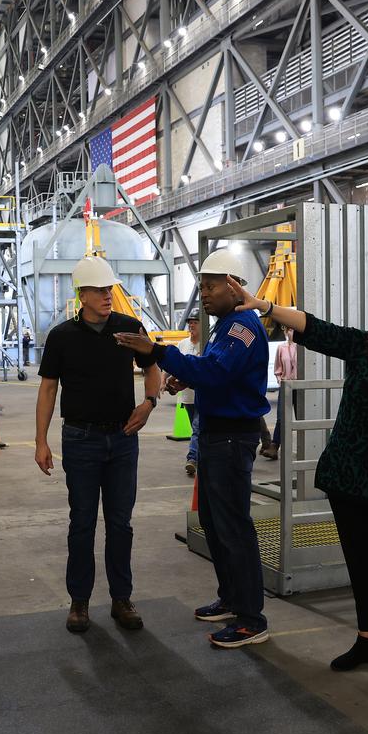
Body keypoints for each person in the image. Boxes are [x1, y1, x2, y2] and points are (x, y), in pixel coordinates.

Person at [229, 266, 368, 685]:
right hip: (350, 477)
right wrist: (266, 306)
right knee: (361, 563)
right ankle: (367, 638)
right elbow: (316, 327)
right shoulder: (365, 347)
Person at [116, 249, 271, 648]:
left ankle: (251, 618)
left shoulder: (243, 327)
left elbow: (218, 371)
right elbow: (217, 371)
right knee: (215, 523)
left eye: (211, 285)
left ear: (235, 287)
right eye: (201, 284)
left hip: (232, 438)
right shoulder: (225, 326)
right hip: (217, 435)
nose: (203, 292)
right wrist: (188, 378)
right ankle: (233, 597)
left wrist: (160, 352)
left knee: (233, 525)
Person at [35, 256, 161, 635]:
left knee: (120, 524)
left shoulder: (128, 327)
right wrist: (41, 441)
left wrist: (149, 403)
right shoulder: (62, 336)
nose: (108, 295)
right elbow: (48, 389)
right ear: (82, 295)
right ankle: (80, 602)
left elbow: (152, 365)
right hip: (81, 440)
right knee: (82, 524)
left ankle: (122, 598)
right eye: (100, 290)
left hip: (123, 439)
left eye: (110, 289)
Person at [260, 327, 297, 460]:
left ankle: (305, 446)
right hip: (286, 385)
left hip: (299, 385)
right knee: (281, 417)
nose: (291, 333)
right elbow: (278, 367)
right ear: (285, 331)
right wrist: (280, 379)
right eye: (289, 330)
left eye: (293, 330)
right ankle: (274, 446)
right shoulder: (282, 348)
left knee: (301, 417)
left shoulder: (302, 348)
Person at [176, 309, 201, 476]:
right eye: (190, 322)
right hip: (187, 396)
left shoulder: (206, 343)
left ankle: (192, 458)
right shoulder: (183, 344)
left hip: (202, 394)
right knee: (198, 430)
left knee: (197, 428)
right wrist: (164, 379)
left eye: (195, 322)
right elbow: (176, 364)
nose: (191, 325)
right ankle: (202, 457)